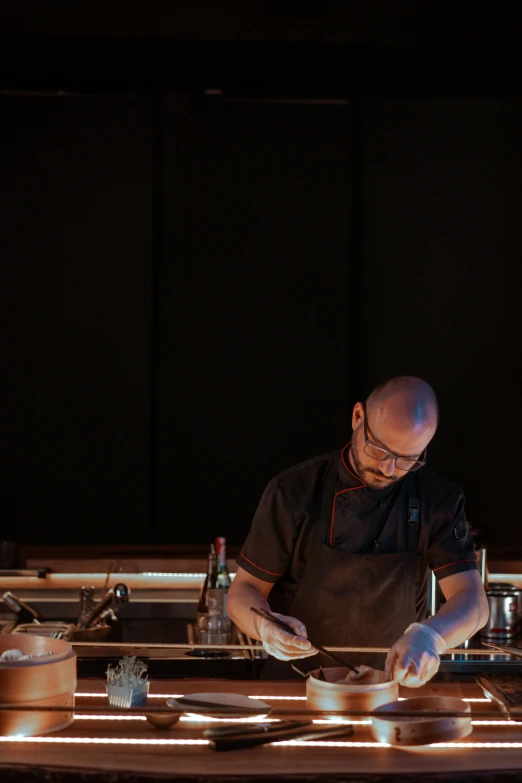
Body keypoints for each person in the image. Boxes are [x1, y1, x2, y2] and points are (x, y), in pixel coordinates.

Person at [227, 376, 489, 685]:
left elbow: (472, 601)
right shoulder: (294, 491)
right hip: (296, 686)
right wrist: (266, 628)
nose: (388, 469)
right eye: (379, 449)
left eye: (408, 459)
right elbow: (242, 593)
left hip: (391, 687)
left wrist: (432, 637)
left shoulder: (438, 499)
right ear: (357, 418)